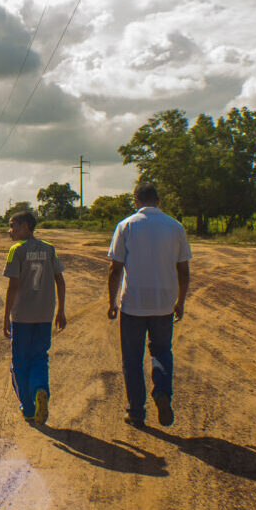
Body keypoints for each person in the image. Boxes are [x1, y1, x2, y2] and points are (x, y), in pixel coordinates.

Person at [107, 182, 191, 428]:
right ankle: (162, 392)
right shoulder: (175, 227)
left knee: (132, 358)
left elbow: (115, 269)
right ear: (159, 200)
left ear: (136, 200)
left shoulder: (126, 225)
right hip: (164, 303)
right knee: (162, 351)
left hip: (133, 303)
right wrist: (180, 301)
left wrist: (112, 301)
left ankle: (136, 411)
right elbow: (183, 271)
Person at [2, 211, 66, 425]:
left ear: (25, 226)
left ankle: (28, 408)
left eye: (13, 225)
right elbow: (60, 280)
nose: (10, 230)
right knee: (39, 357)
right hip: (45, 315)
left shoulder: (16, 250)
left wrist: (6, 317)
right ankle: (40, 388)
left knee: (19, 362)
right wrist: (61, 310)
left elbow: (13, 286)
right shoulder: (49, 249)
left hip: (22, 316)